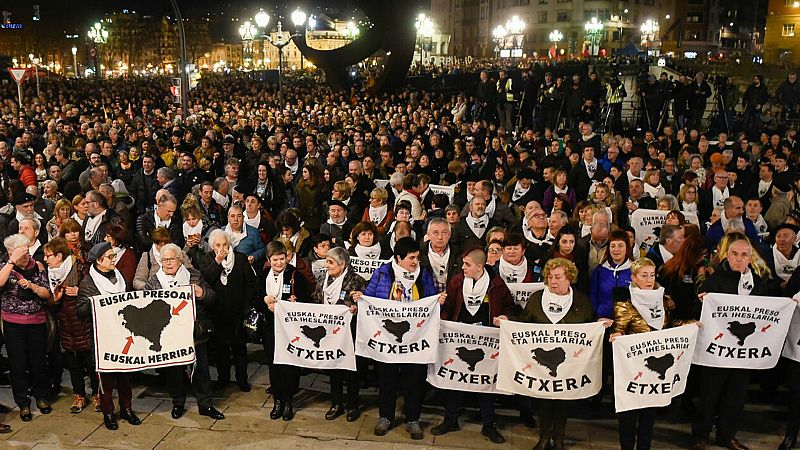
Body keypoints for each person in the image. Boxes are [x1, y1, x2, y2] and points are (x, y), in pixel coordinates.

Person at [494, 258, 611, 450]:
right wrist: (508, 320)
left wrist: (600, 323)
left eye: (558, 277)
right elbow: (524, 322)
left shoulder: (581, 301)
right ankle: (543, 438)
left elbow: (589, 325)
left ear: (569, 278)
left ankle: (559, 440)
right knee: (543, 402)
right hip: (541, 366)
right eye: (549, 277)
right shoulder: (537, 298)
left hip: (568, 366)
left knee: (562, 403)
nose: (553, 281)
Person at [692, 232, 777, 450]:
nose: (739, 259)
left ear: (751, 257)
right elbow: (698, 312)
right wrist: (702, 303)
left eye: (744, 255)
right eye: (735, 254)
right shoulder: (715, 280)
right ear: (727, 256)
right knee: (709, 396)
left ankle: (727, 435)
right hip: (716, 352)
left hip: (743, 353)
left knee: (736, 397)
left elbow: (766, 313)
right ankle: (700, 437)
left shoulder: (758, 283)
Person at [355, 237, 444, 440]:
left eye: (417, 258)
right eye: (411, 258)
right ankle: (385, 417)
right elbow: (370, 295)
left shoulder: (424, 275)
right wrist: (361, 298)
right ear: (398, 258)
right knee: (387, 379)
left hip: (416, 340)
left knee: (414, 381)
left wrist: (438, 301)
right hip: (387, 340)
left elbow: (431, 299)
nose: (415, 262)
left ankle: (413, 419)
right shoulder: (383, 272)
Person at [432, 247, 511, 444]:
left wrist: (505, 317)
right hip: (459, 339)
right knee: (454, 382)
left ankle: (489, 425)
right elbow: (450, 307)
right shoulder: (457, 281)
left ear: (479, 266)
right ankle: (451, 420)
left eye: (467, 264)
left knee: (486, 384)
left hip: (487, 343)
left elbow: (510, 306)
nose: (463, 267)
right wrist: (441, 313)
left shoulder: (497, 284)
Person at [611, 257, 687, 450]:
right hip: (633, 368)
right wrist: (616, 335)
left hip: (656, 368)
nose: (649, 279)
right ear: (634, 277)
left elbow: (668, 326)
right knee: (629, 414)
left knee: (649, 414)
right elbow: (619, 329)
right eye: (644, 275)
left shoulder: (661, 300)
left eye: (652, 275)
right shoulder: (625, 303)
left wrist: (689, 325)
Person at [144, 243, 224, 420]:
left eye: (172, 259)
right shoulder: (154, 282)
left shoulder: (193, 276)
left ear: (180, 260)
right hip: (170, 335)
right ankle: (178, 403)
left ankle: (206, 404)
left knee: (201, 369)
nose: (168, 263)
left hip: (194, 333)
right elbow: (147, 308)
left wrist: (202, 293)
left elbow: (212, 298)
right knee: (174, 371)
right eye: (164, 260)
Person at [77, 242, 140, 430]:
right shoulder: (89, 282)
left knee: (124, 376)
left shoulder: (118, 277)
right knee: (105, 380)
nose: (114, 260)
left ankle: (127, 409)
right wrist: (94, 303)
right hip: (102, 337)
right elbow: (80, 311)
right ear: (98, 261)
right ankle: (108, 413)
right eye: (110, 257)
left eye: (114, 256)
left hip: (122, 334)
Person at [0, 233, 52, 422]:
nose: (26, 256)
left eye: (27, 251)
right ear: (11, 253)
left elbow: (47, 293)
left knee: (38, 361)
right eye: (22, 252)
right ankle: (22, 403)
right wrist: (11, 262)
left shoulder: (37, 266)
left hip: (36, 321)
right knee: (17, 364)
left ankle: (42, 396)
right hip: (13, 323)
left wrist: (32, 286)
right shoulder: (5, 267)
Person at [310, 247, 365, 422]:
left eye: (330, 262)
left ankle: (353, 405)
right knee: (334, 368)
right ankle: (336, 403)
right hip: (329, 333)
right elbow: (315, 299)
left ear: (342, 265)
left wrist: (358, 307)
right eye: (327, 261)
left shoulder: (356, 281)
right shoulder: (323, 279)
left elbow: (367, 305)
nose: (327, 265)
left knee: (350, 370)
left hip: (350, 333)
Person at [43, 237, 98, 414]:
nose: (45, 259)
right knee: (73, 362)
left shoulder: (80, 268)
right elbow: (49, 303)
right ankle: (79, 395)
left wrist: (79, 291)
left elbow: (95, 291)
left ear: (59, 255)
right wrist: (55, 299)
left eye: (48, 255)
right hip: (65, 323)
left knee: (90, 363)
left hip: (83, 322)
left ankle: (98, 395)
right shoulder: (50, 274)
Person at [260, 241, 312, 421]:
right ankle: (278, 401)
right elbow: (253, 298)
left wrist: (291, 304)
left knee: (289, 365)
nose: (279, 263)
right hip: (270, 327)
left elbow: (306, 298)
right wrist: (264, 301)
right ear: (269, 260)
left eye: (282, 259)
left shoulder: (295, 275)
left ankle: (289, 401)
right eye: (275, 260)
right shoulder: (263, 274)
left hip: (290, 329)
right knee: (273, 364)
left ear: (287, 258)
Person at [204, 229, 257, 393]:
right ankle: (223, 379)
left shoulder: (240, 259)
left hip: (238, 312)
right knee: (222, 351)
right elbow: (206, 279)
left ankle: (242, 380)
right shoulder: (207, 260)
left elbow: (250, 284)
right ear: (212, 246)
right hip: (218, 313)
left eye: (224, 244)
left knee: (240, 349)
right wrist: (217, 262)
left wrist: (246, 306)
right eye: (218, 245)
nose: (222, 248)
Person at [589, 229, 633, 321]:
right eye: (613, 246)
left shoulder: (635, 270)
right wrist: (597, 316)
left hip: (628, 322)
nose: (616, 250)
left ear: (627, 248)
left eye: (620, 246)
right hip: (602, 320)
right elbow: (593, 295)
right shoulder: (600, 270)